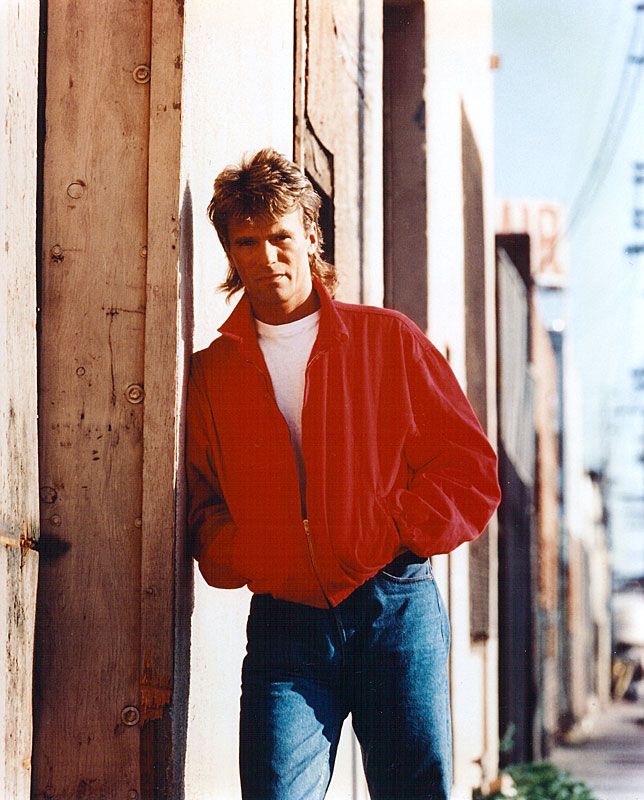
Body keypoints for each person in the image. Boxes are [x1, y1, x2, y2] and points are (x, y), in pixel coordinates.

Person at [186, 148, 501, 800]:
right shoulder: (211, 374)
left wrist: (388, 529)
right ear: (231, 254)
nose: (267, 256)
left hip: (395, 609)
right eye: (247, 241)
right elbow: (201, 500)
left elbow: (468, 470)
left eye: (280, 236)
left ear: (310, 236)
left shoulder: (387, 339)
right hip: (286, 625)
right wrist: (252, 552)